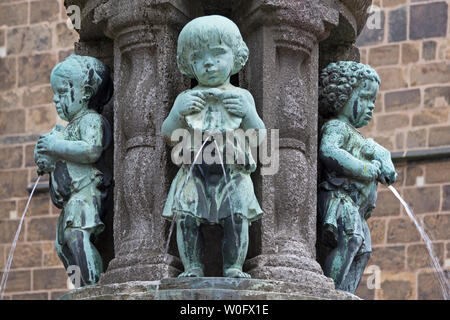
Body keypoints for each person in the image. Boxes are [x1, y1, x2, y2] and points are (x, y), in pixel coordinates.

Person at [161, 15, 265, 278]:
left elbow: (259, 136)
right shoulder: (187, 98)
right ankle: (193, 266)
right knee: (185, 217)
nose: (208, 63)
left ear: (237, 58)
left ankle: (233, 266)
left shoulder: (242, 97)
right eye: (197, 57)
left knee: (237, 217)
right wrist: (177, 113)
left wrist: (248, 113)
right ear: (188, 64)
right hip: (193, 173)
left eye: (218, 53)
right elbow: (169, 134)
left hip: (233, 172)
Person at [318, 61, 397, 293]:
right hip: (338, 197)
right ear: (341, 95)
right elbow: (329, 151)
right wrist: (364, 168)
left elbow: (390, 175)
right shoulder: (336, 127)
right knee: (351, 238)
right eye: (364, 98)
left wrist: (383, 159)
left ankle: (346, 293)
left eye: (373, 101)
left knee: (364, 251)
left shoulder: (364, 141)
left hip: (357, 208)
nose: (370, 106)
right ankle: (330, 292)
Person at [34, 54, 113, 286]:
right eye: (54, 94)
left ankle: (92, 285)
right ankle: (79, 286)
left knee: (76, 236)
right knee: (63, 246)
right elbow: (61, 159)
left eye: (61, 92)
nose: (55, 100)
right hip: (71, 199)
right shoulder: (66, 129)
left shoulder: (90, 120)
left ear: (86, 93)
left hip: (86, 194)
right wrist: (45, 161)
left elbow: (91, 150)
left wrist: (56, 147)